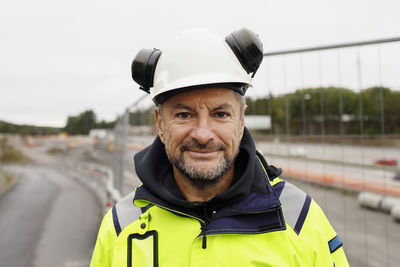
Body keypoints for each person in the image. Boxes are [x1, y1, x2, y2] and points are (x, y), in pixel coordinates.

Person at [90, 28, 349, 267]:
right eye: (184, 114)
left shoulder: (300, 220)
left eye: (220, 114)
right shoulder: (121, 227)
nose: (203, 135)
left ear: (241, 120)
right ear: (160, 124)